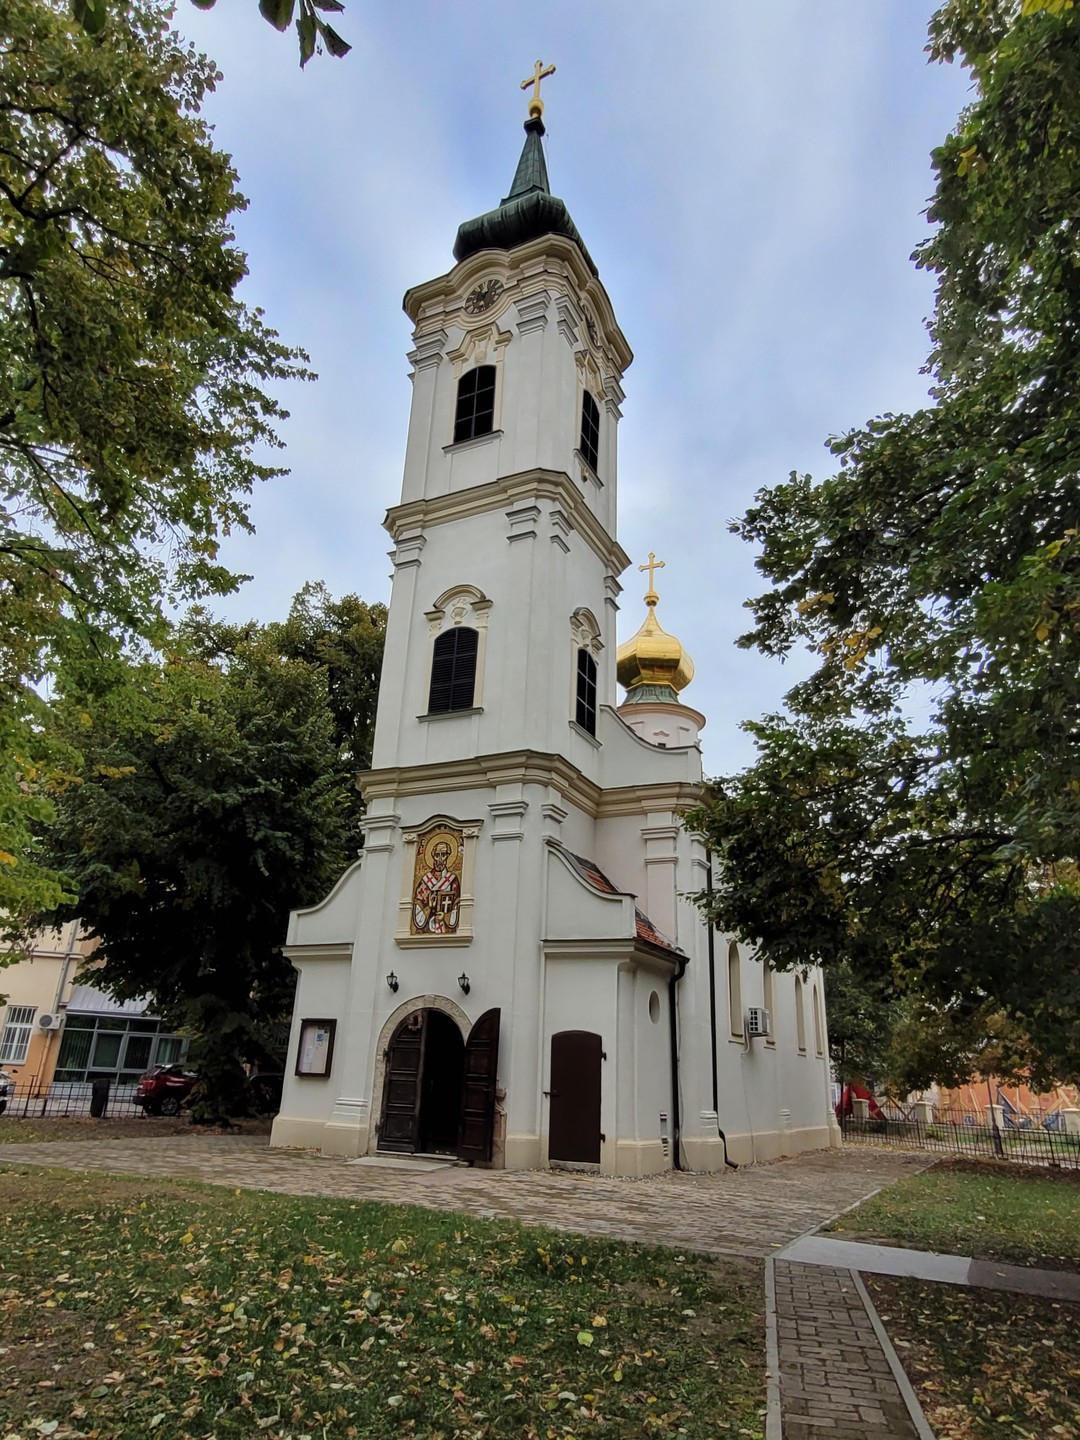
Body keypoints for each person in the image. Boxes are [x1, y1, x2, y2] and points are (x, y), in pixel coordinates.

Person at [413, 839, 461, 933]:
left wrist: (445, 916)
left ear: (448, 856)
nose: (439, 859)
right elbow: (418, 919)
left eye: (443, 855)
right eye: (436, 855)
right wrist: (429, 907)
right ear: (433, 856)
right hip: (427, 930)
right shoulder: (425, 882)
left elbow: (456, 909)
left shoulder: (453, 881)